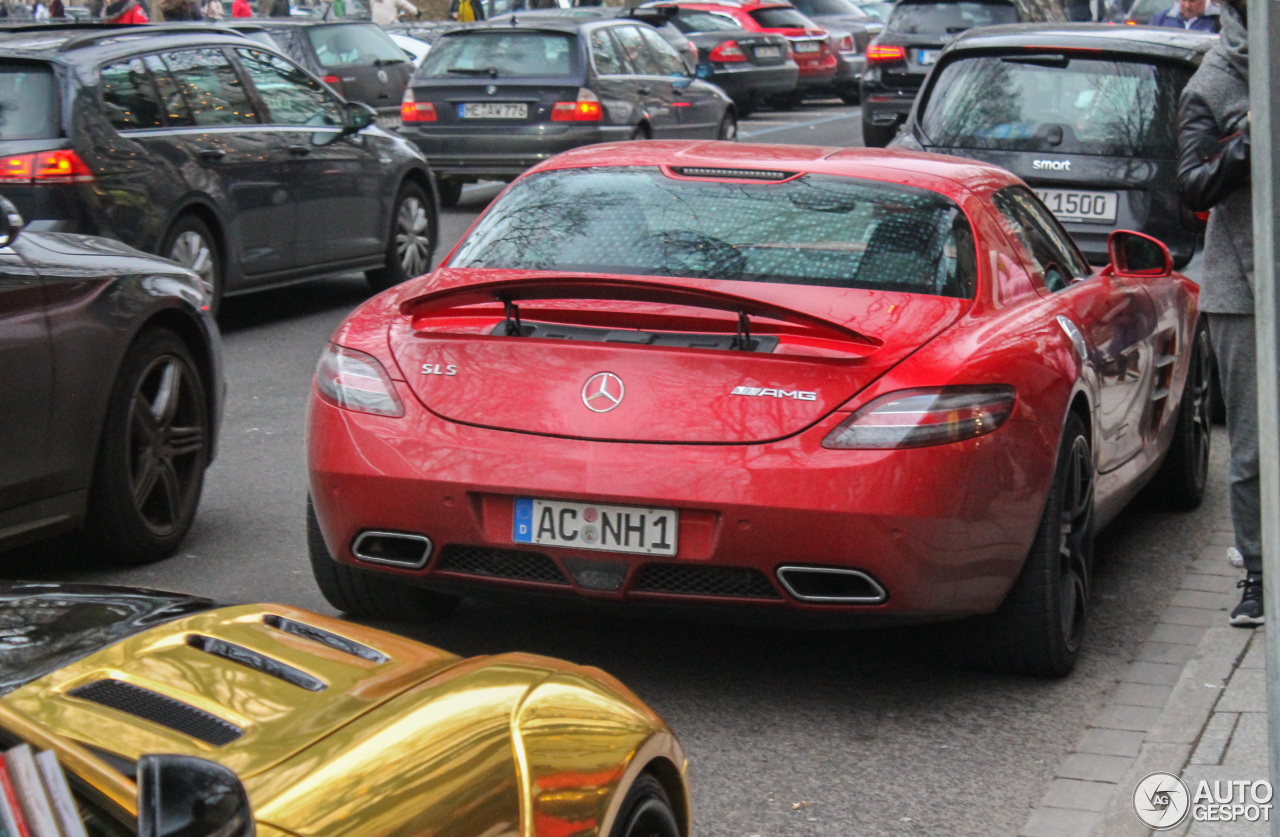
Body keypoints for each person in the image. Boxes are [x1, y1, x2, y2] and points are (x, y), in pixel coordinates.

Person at [1176, 0, 1260, 625]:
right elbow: (1194, 184)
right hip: (1244, 290)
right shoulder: (1213, 82)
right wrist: (1252, 139)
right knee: (1255, 445)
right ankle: (1259, 575)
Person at [1151, 0, 1219, 31]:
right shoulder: (1161, 19)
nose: (1187, 6)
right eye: (1183, 0)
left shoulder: (1218, 20)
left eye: (1192, 1)